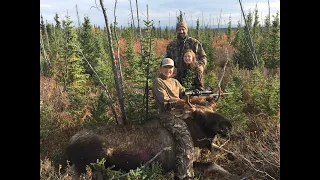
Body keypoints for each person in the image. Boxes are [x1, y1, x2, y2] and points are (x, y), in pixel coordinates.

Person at [152, 57, 195, 180]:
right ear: (161, 68)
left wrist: (199, 95)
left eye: (170, 67)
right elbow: (164, 100)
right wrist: (181, 101)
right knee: (184, 138)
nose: (168, 70)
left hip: (181, 113)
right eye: (165, 67)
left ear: (173, 69)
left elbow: (185, 93)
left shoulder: (175, 82)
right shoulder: (158, 81)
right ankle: (183, 174)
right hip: (167, 115)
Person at [166, 21, 207, 91]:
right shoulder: (171, 45)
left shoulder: (194, 43)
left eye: (183, 29)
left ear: (186, 30)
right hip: (176, 77)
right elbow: (167, 60)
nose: (181, 31)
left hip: (193, 75)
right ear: (176, 31)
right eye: (179, 30)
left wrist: (201, 66)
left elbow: (203, 57)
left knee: (198, 94)